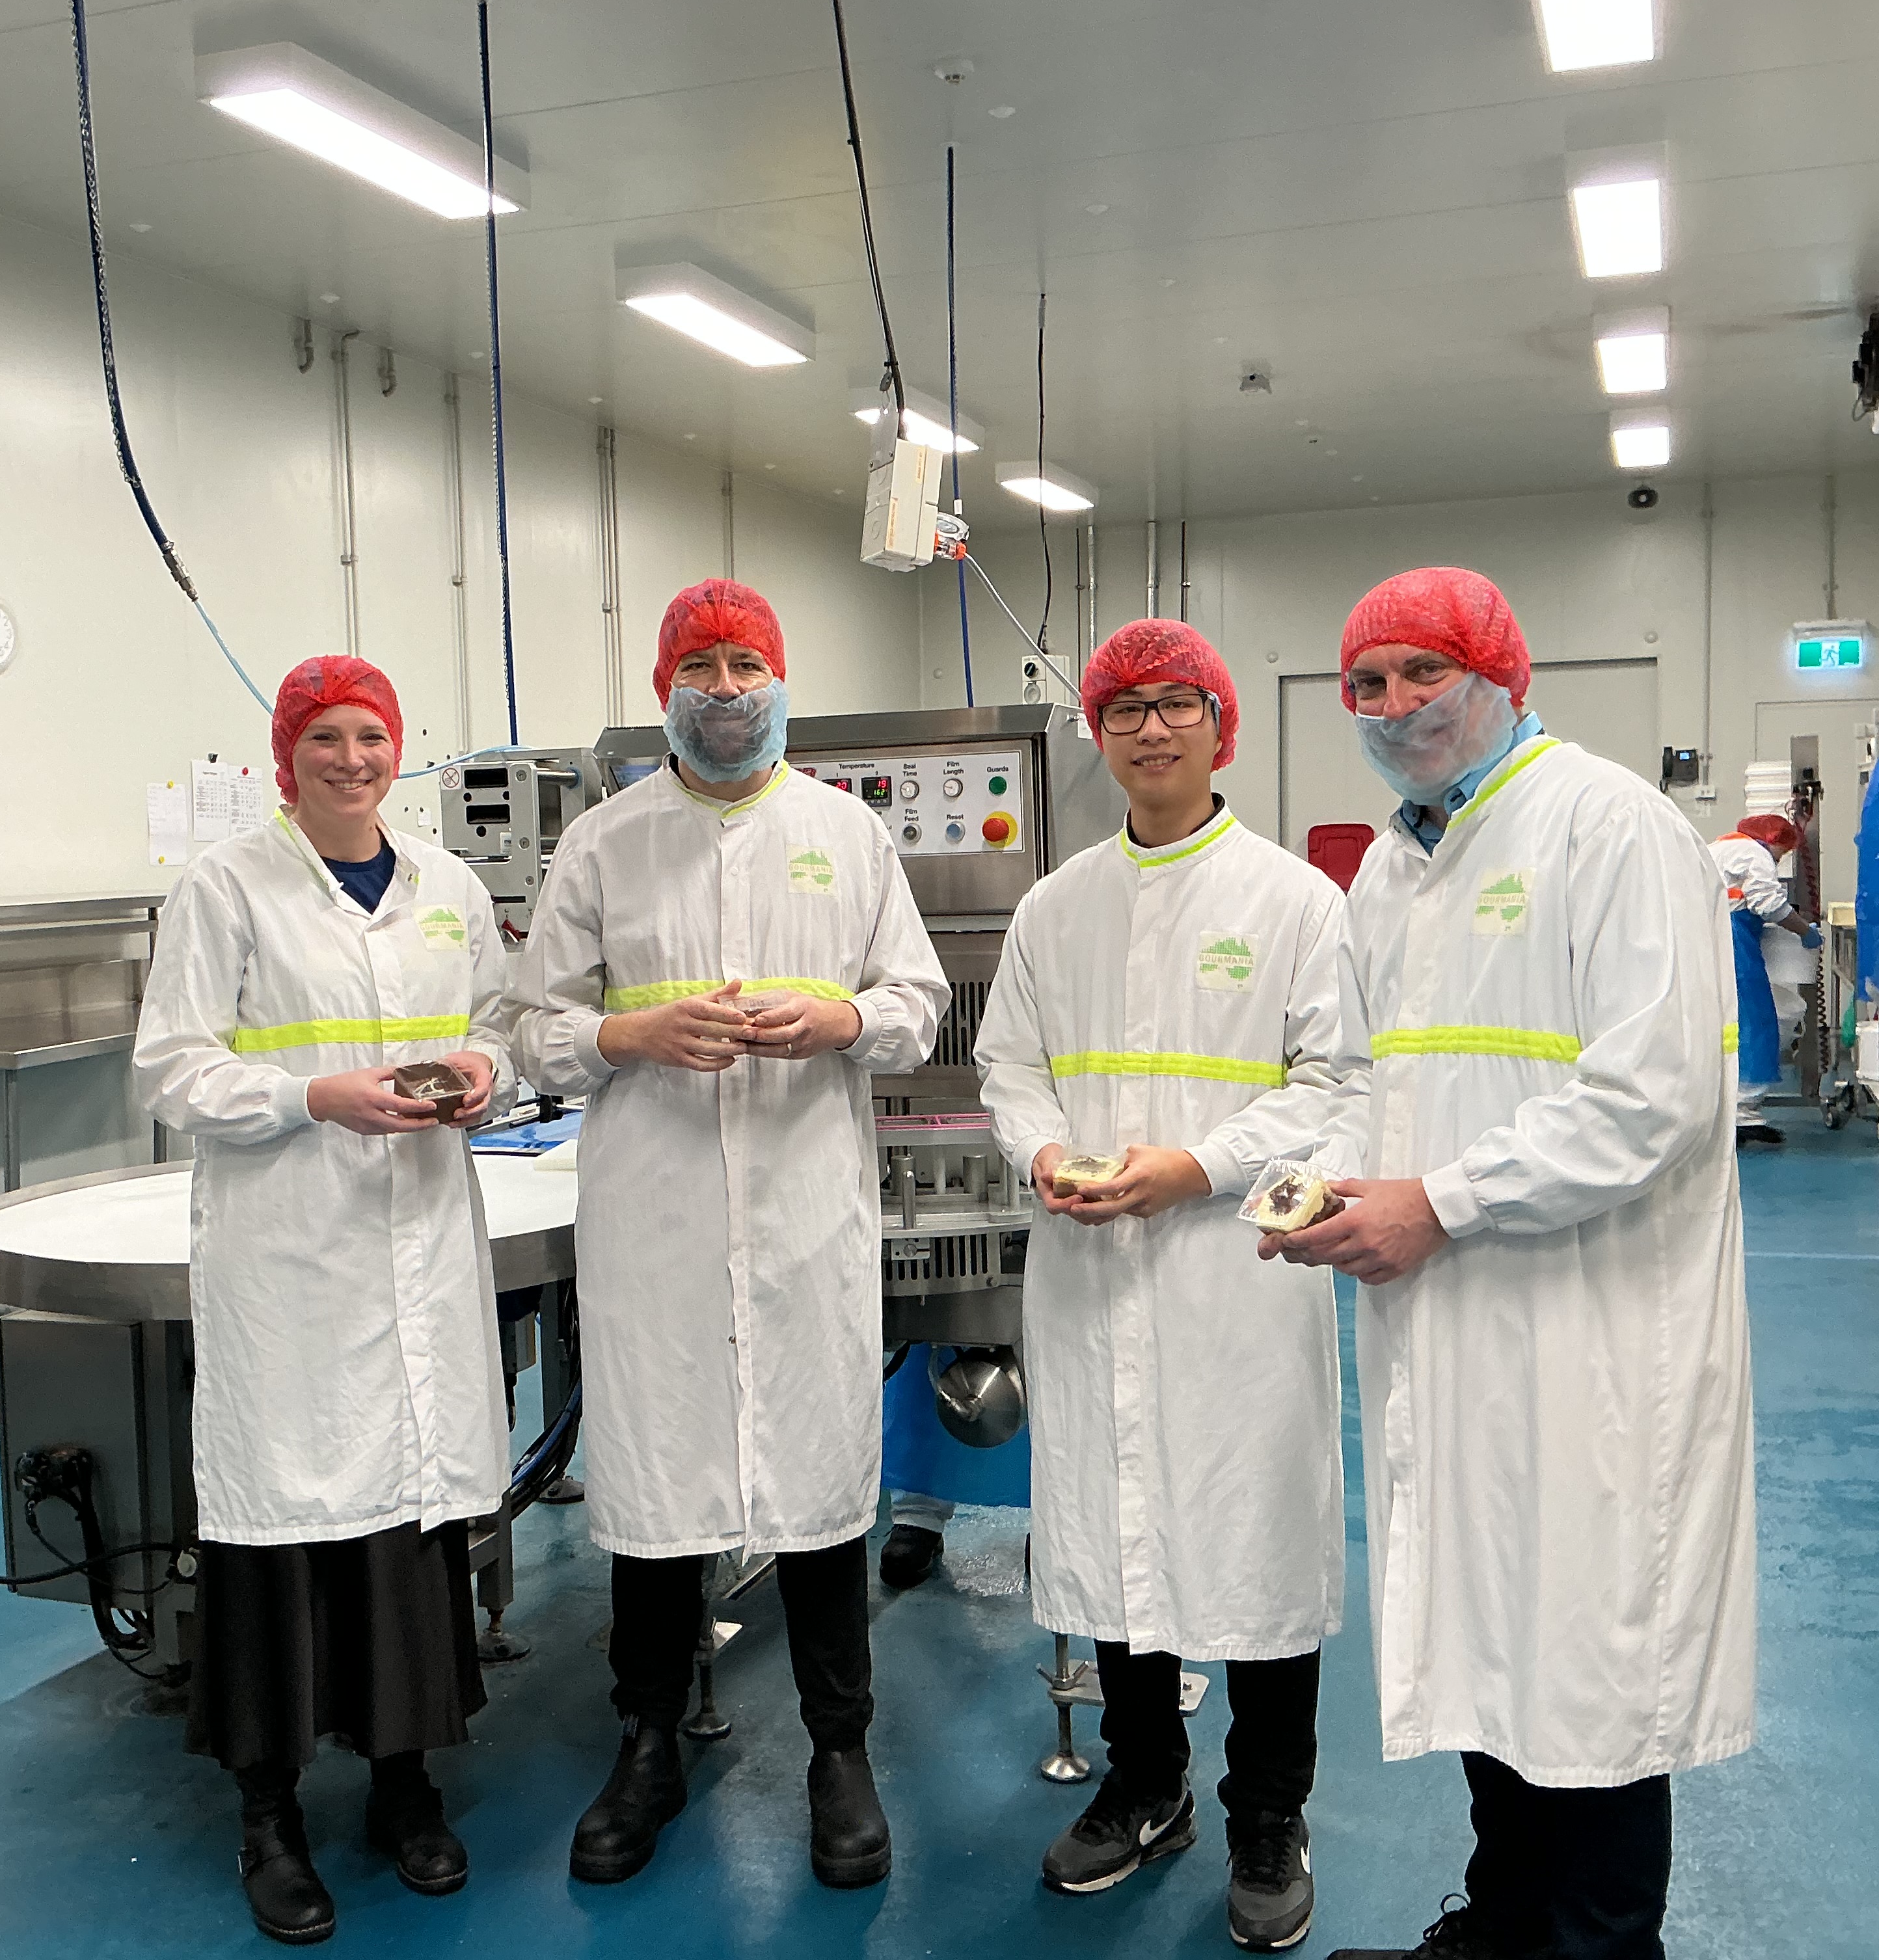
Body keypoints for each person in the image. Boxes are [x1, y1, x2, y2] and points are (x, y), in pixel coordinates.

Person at [1267, 568, 1755, 1960]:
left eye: (1424, 672)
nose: (1393, 705)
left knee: (1590, 1656)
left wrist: (1444, 1200)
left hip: (1594, 1331)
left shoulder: (1611, 825)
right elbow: (1369, 1074)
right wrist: (1330, 1186)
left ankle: (1600, 1942)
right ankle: (1505, 1919)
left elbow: (1652, 1100)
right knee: (1487, 1628)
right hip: (1450, 1313)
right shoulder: (1390, 866)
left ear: (1501, 675)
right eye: (1368, 682)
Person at [507, 577, 949, 1889]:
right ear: (664, 692)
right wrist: (626, 1036)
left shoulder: (849, 836)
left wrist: (843, 1025)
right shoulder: (603, 843)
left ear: (782, 679)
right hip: (659, 1213)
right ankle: (647, 1742)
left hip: (805, 1212)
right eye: (698, 665)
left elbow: (919, 1001)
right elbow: (530, 1027)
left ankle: (839, 1750)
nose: (724, 687)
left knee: (816, 1485)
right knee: (656, 1488)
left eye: (746, 662)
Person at [132, 655, 516, 1947]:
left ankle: (405, 1786)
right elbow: (172, 1069)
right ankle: (270, 1814)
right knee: (282, 1532)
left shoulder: (449, 889)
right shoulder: (224, 890)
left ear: (396, 752)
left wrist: (479, 1067)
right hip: (288, 1256)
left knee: (407, 1527)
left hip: (412, 1238)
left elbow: (501, 1027)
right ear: (287, 756)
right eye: (326, 739)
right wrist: (312, 1097)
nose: (352, 759)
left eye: (372, 738)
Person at [977, 619, 1346, 1953]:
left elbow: (1331, 1085)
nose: (1148, 727)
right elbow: (1006, 1062)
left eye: (1175, 703)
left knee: (1255, 1537)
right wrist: (1042, 1150)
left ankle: (1267, 1811)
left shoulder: (1294, 900)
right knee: (1120, 1529)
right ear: (1099, 732)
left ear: (1219, 725)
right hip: (1088, 1264)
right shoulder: (1056, 904)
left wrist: (1193, 1166)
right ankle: (1147, 1786)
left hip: (1234, 1267)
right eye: (1122, 707)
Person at [1709, 812, 1820, 1144]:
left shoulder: (1719, 847)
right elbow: (1768, 902)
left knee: (1724, 1022)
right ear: (1772, 840)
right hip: (1733, 940)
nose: (1779, 859)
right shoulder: (1754, 853)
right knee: (1754, 1019)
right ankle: (1743, 1114)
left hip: (1710, 940)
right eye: (1782, 853)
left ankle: (1728, 1110)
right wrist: (1804, 931)